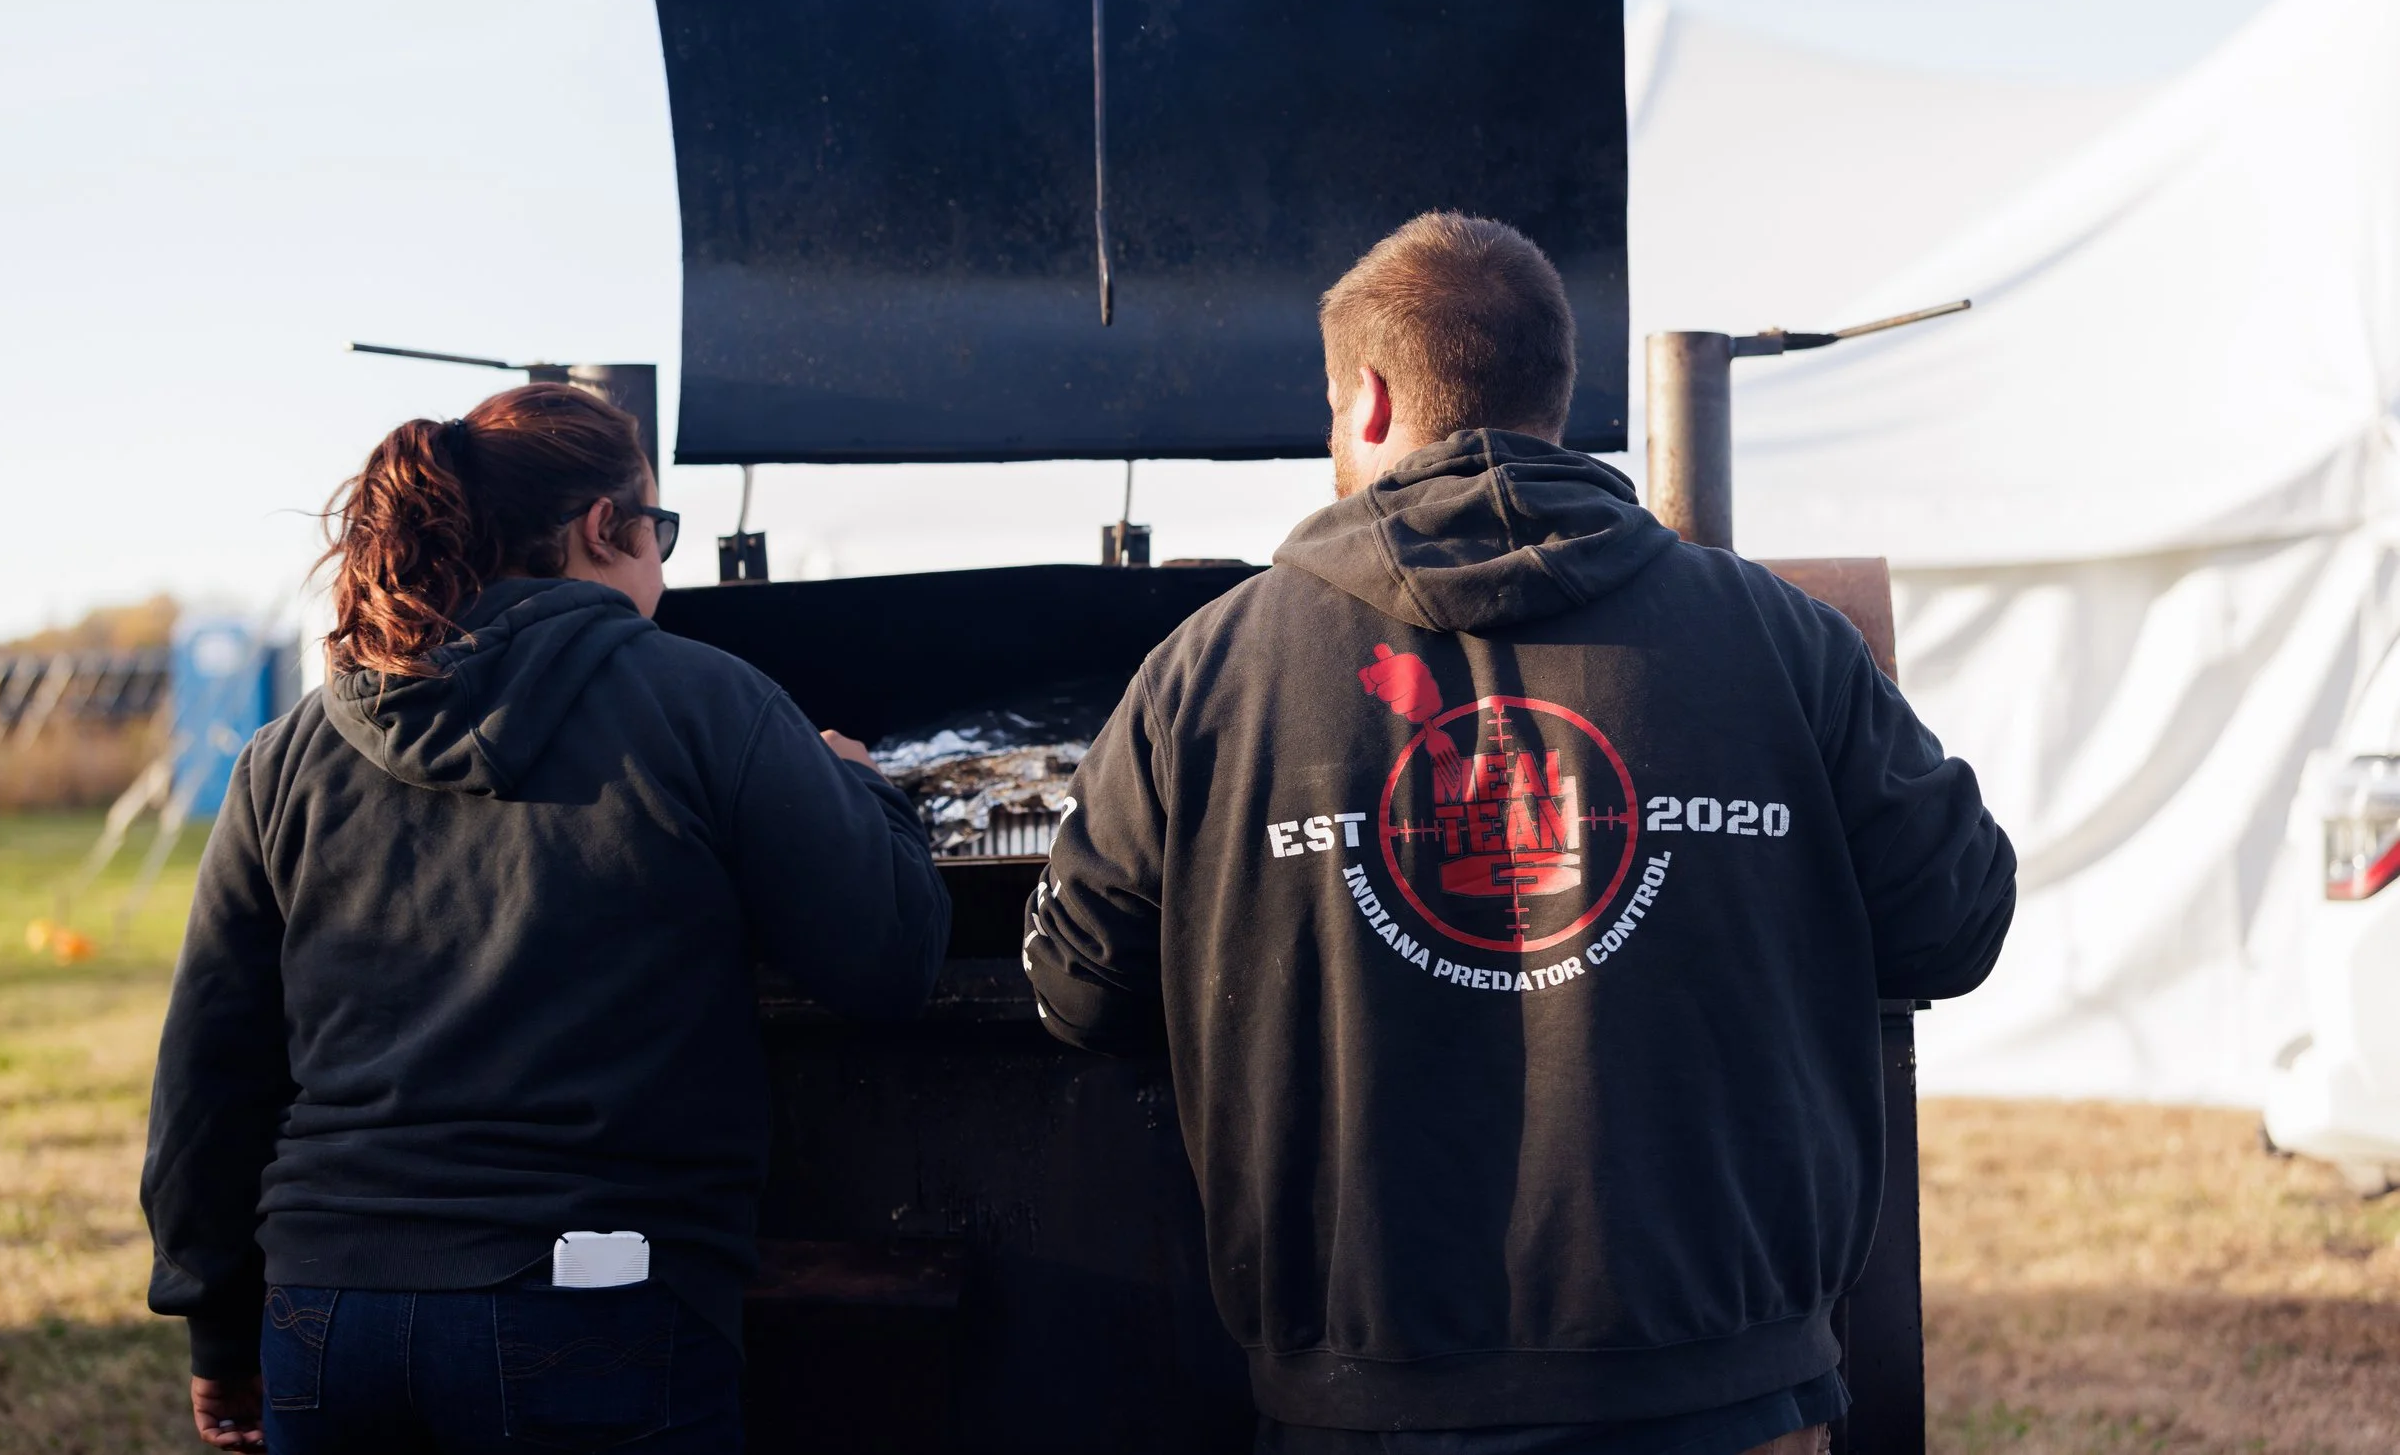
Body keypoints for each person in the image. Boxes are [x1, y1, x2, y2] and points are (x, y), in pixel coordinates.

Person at [1024, 212, 2016, 1454]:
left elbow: (1077, 985)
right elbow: (1960, 919)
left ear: (1369, 399)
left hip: (1361, 1409)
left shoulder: (1206, 674)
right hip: (1724, 1399)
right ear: (1556, 392)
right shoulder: (1785, 641)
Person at [142, 382, 950, 1453]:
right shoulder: (707, 700)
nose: (662, 557)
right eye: (658, 529)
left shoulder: (287, 751)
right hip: (597, 1304)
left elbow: (211, 1065)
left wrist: (214, 1317)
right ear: (602, 529)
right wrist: (860, 787)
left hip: (328, 1315)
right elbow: (888, 954)